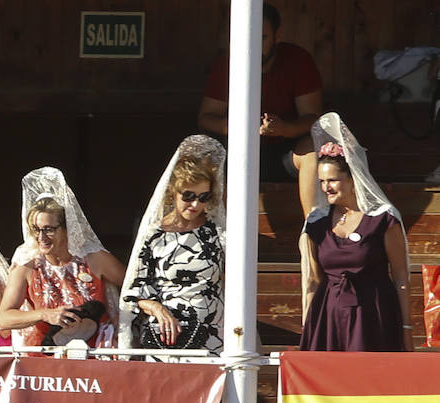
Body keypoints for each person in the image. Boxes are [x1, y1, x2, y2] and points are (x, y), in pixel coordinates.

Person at [300, 112, 413, 353]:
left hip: (374, 315)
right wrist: (308, 328)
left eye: (332, 180)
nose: (325, 187)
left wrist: (406, 329)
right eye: (321, 181)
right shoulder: (317, 223)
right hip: (328, 315)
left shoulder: (383, 218)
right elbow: (313, 280)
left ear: (353, 179)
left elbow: (401, 276)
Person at [198, 2, 322, 215]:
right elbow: (206, 118)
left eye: (263, 37)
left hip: (284, 152)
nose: (255, 44)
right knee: (205, 154)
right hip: (237, 150)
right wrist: (238, 128)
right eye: (248, 36)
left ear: (277, 36)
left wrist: (284, 129)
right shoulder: (227, 63)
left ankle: (313, 231)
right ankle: (222, 238)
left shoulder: (297, 60)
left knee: (312, 148)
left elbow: (313, 117)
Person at [119, 135, 227, 354]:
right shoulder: (154, 235)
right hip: (165, 336)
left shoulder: (218, 233)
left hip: (213, 335)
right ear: (173, 192)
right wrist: (156, 308)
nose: (196, 204)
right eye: (188, 196)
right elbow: (135, 292)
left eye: (203, 197)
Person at [0, 167, 126, 347]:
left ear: (67, 229)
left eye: (49, 229)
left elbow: (135, 287)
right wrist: (43, 314)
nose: (41, 237)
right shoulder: (27, 265)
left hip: (97, 355)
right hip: (48, 358)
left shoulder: (94, 259)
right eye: (36, 229)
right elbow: (3, 318)